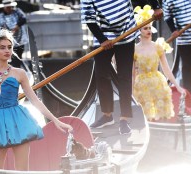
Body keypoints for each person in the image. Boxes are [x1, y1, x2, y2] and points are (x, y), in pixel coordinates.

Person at [0, 28, 73, 170]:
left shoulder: (19, 73)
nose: (7, 51)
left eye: (9, 47)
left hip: (18, 123)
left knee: (22, 172)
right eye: (2, 48)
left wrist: (55, 120)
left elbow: (34, 100)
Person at [80, 0, 163, 134]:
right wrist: (102, 40)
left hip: (127, 32)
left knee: (124, 76)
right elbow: (89, 17)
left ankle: (124, 119)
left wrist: (156, 7)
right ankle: (107, 115)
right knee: (101, 74)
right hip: (104, 34)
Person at [132, 5, 186, 121]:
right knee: (146, 118)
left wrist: (177, 86)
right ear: (139, 31)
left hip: (158, 84)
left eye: (150, 28)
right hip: (141, 86)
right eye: (145, 28)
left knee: (161, 116)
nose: (148, 31)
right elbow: (132, 74)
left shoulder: (158, 47)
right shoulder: (134, 50)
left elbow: (166, 69)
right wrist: (131, 93)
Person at [163, 0, 191, 93]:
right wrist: (173, 30)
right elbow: (167, 15)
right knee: (187, 67)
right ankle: (189, 98)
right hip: (184, 38)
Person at [0, 0, 28, 68]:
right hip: (9, 41)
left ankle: (18, 71)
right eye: (7, 7)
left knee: (18, 57)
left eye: (9, 7)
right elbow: (0, 27)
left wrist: (17, 26)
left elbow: (24, 19)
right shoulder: (1, 16)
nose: (9, 9)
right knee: (12, 58)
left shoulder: (17, 11)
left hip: (20, 40)